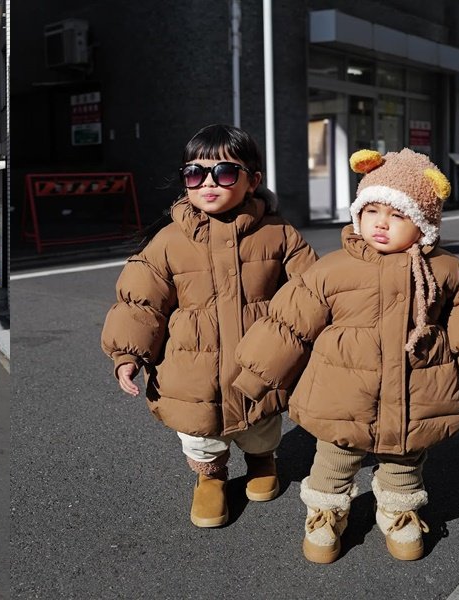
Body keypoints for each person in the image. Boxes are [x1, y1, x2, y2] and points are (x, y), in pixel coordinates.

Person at [233, 148, 459, 563]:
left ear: (424, 224)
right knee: (334, 459)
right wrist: (257, 375)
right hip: (343, 394)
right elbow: (288, 322)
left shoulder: (448, 270)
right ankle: (325, 513)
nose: (381, 223)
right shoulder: (333, 269)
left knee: (404, 461)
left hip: (417, 393)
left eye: (398, 215)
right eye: (372, 210)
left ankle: (399, 513)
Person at [100, 124, 318, 528]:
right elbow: (141, 302)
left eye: (225, 172)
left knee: (263, 421)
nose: (209, 183)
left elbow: (310, 292)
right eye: (195, 174)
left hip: (260, 360)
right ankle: (211, 478)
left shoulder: (279, 234)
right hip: (192, 366)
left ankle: (262, 460)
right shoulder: (168, 240)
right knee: (200, 432)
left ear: (253, 181)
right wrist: (128, 353)